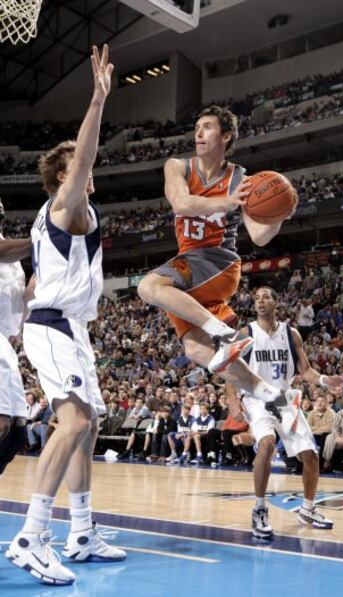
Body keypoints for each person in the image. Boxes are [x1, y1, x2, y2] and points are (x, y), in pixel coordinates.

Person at [6, 46, 126, 587]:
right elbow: (81, 160)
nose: (88, 169)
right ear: (63, 174)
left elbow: (33, 283)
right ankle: (32, 536)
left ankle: (81, 531)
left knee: (89, 423)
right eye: (78, 165)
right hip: (54, 326)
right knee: (73, 422)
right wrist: (98, 100)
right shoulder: (67, 203)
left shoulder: (53, 219)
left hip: (63, 325)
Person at [138, 105, 299, 412]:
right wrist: (228, 202)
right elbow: (181, 203)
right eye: (197, 126)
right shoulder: (178, 166)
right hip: (189, 265)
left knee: (147, 287)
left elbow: (260, 237)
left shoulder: (242, 179)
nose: (199, 132)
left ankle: (223, 333)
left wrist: (280, 215)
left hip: (218, 262)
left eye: (208, 127)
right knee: (197, 349)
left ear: (226, 136)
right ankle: (274, 397)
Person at [238, 287, 343, 539]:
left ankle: (307, 509)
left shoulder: (291, 333)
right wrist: (233, 401)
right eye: (257, 299)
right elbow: (232, 368)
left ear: (277, 302)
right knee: (266, 443)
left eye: (266, 297)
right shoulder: (246, 333)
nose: (261, 301)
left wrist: (325, 379)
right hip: (256, 397)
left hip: (283, 397)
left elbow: (306, 371)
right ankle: (259, 509)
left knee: (310, 454)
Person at [0, 196, 32, 474]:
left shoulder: (15, 259)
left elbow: (22, 298)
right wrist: (44, 238)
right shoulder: (9, 249)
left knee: (17, 433)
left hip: (7, 341)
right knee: (2, 423)